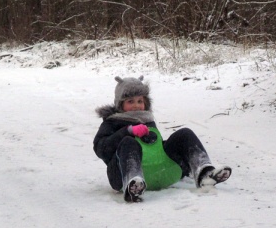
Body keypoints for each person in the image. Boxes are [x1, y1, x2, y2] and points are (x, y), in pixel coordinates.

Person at [93, 76, 232, 202]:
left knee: (184, 134)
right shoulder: (112, 122)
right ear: (120, 104)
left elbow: (154, 149)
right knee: (129, 143)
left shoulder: (147, 119)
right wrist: (126, 131)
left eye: (140, 101)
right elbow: (101, 149)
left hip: (159, 171)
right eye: (130, 101)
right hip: (121, 175)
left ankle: (204, 173)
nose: (136, 105)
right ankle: (133, 183)